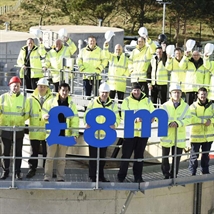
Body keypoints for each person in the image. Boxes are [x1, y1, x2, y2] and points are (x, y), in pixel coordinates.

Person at [117, 83, 155, 183]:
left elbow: (153, 111)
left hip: (143, 132)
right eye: (134, 90)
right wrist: (134, 119)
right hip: (130, 132)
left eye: (138, 90)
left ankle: (138, 177)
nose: (136, 92)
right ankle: (121, 176)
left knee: (139, 156)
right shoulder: (127, 101)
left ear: (141, 91)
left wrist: (153, 118)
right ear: (131, 91)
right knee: (126, 155)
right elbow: (123, 114)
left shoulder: (147, 100)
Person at [42, 83, 79, 181]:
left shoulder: (71, 104)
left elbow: (75, 121)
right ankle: (47, 176)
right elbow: (43, 112)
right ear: (59, 91)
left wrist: (75, 134)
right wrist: (44, 117)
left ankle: (60, 177)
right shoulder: (50, 102)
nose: (64, 93)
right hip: (52, 134)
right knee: (49, 157)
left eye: (66, 91)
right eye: (63, 90)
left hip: (65, 135)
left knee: (62, 159)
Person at [84, 82, 120, 182]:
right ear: (99, 93)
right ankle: (92, 176)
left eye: (106, 93)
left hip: (105, 136)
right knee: (93, 156)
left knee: (102, 157)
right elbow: (87, 114)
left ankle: (100, 176)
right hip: (93, 134)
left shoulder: (113, 105)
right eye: (103, 92)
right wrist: (86, 123)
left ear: (109, 94)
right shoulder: (93, 102)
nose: (104, 95)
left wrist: (115, 124)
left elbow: (118, 117)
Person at [0, 76, 30, 180]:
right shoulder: (3, 98)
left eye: (17, 86)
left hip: (18, 130)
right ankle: (5, 171)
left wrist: (19, 121)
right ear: (10, 86)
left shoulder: (24, 99)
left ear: (20, 87)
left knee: (18, 152)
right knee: (5, 152)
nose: (15, 88)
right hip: (6, 129)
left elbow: (27, 114)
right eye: (14, 86)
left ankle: (17, 172)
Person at [160, 84, 191, 179]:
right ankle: (166, 174)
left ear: (181, 94)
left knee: (176, 158)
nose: (176, 94)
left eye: (178, 92)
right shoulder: (164, 106)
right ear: (170, 94)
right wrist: (169, 123)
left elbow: (189, 119)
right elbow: (159, 118)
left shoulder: (185, 106)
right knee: (165, 157)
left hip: (179, 136)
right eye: (174, 92)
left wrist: (178, 123)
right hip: (167, 135)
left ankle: (174, 175)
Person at [26, 78, 53, 178]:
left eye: (44, 87)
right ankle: (32, 169)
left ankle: (47, 171)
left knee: (48, 152)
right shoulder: (31, 99)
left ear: (47, 88)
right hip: (35, 130)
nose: (42, 88)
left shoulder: (52, 99)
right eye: (40, 86)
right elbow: (26, 113)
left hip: (47, 130)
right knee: (34, 152)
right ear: (37, 87)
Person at [189, 87, 214, 175]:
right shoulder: (193, 106)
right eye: (201, 94)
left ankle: (205, 172)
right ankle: (192, 173)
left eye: (204, 94)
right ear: (198, 95)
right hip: (196, 136)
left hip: (208, 136)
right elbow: (191, 118)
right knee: (194, 156)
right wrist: (204, 121)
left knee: (205, 156)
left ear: (207, 94)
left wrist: (211, 121)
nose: (203, 96)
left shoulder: (212, 105)